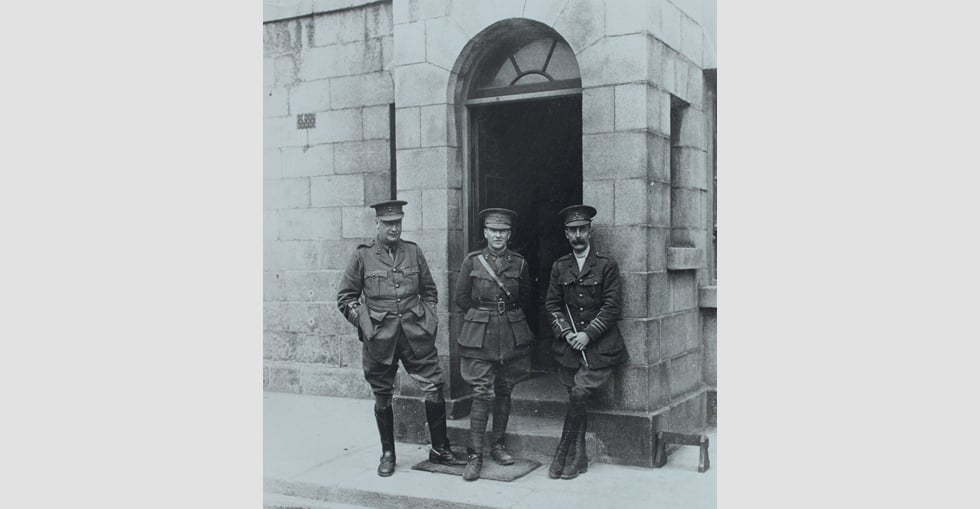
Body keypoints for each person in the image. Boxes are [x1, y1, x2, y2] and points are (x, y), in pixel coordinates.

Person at [336, 200, 464, 477]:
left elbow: (429, 290)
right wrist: (366, 324)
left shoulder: (413, 251)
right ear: (377, 224)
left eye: (398, 223)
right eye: (388, 223)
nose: (394, 228)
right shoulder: (363, 256)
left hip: (416, 334)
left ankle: (440, 449)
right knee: (382, 394)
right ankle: (388, 453)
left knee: (433, 386)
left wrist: (428, 317)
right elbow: (346, 298)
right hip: (379, 339)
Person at [544, 204, 630, 480]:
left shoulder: (606, 265)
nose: (578, 235)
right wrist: (567, 332)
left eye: (582, 229)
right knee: (574, 398)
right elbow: (552, 304)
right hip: (570, 348)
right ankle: (578, 458)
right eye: (572, 231)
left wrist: (587, 334)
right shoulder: (560, 267)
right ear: (566, 234)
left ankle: (562, 451)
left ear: (590, 232)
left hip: (600, 348)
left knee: (579, 394)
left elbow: (612, 307)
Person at [453, 208, 534, 481]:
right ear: (485, 233)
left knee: (504, 388)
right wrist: (482, 318)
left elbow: (526, 299)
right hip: (480, 335)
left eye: (503, 231)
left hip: (510, 333)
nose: (498, 235)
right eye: (493, 230)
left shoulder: (520, 263)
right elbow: (462, 298)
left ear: (509, 234)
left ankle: (498, 446)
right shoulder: (472, 262)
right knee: (481, 391)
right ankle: (475, 454)